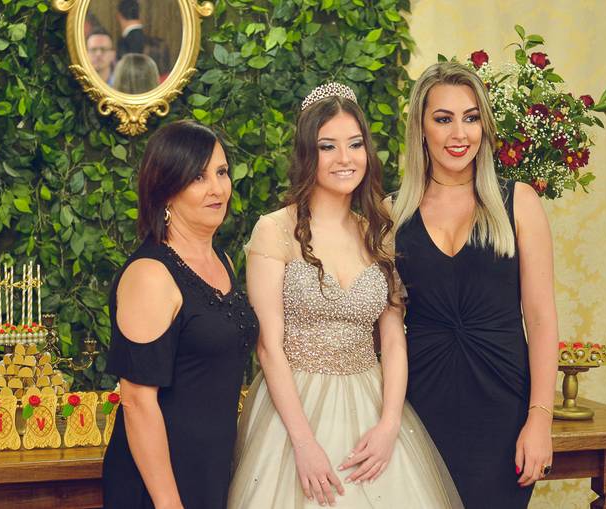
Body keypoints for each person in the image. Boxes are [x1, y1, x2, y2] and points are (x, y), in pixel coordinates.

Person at [228, 84, 462, 508]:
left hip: (370, 401)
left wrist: (389, 424)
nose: (345, 158)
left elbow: (393, 338)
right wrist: (303, 442)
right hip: (294, 408)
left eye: (355, 144)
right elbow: (268, 346)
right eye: (328, 146)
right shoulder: (274, 230)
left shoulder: (379, 231)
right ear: (307, 153)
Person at [392, 61, 558, 508]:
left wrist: (540, 419)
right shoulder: (392, 214)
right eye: (443, 119)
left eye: (470, 118)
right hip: (420, 408)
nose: (459, 134)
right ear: (420, 127)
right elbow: (383, 326)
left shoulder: (519, 202)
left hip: (503, 411)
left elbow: (541, 319)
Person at [102, 120, 258, 509]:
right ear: (167, 190)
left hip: (211, 468)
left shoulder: (222, 261)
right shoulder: (151, 274)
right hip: (160, 484)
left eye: (221, 172)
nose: (217, 188)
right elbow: (137, 401)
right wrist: (168, 502)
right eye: (198, 177)